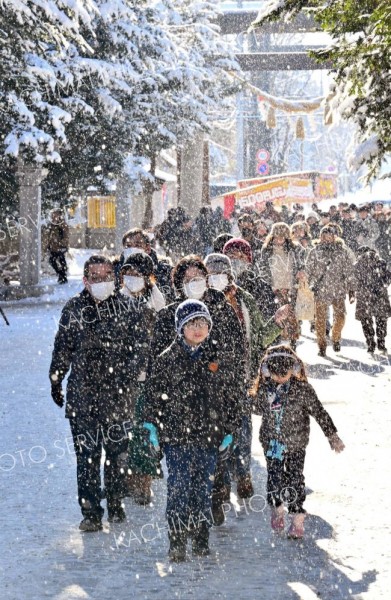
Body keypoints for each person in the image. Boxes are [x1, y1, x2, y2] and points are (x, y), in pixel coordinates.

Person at [49, 255, 148, 531]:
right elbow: (62, 348)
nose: (101, 281)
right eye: (95, 276)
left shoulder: (127, 308)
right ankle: (91, 511)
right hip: (83, 397)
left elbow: (140, 348)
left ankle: (116, 502)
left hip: (119, 396)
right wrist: (55, 380)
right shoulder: (74, 309)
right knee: (87, 457)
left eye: (106, 275)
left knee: (118, 455)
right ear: (85, 279)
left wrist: (130, 376)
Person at [142, 300, 242, 561]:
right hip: (176, 438)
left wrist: (229, 430)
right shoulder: (166, 360)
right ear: (180, 327)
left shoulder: (217, 359)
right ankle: (176, 541)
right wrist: (152, 427)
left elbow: (232, 398)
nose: (198, 329)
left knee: (202, 491)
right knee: (178, 489)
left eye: (203, 323)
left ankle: (200, 537)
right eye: (191, 324)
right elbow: (152, 399)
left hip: (209, 438)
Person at [205, 253, 292, 502]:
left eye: (220, 273)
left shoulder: (245, 299)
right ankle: (219, 483)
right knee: (216, 432)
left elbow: (260, 338)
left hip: (242, 377)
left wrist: (276, 322)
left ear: (230, 275)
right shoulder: (201, 300)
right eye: (210, 273)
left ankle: (243, 475)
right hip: (211, 380)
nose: (215, 278)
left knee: (243, 430)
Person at [251, 345, 345, 538]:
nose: (280, 378)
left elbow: (319, 412)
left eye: (284, 373)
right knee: (274, 477)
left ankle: (296, 514)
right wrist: (253, 398)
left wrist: (332, 435)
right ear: (266, 370)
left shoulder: (303, 390)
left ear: (294, 369)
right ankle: (277, 507)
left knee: (295, 478)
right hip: (272, 443)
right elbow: (255, 408)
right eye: (275, 374)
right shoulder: (264, 388)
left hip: (296, 443)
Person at [119, 253, 166, 503]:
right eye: (128, 274)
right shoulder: (117, 301)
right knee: (125, 432)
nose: (132, 279)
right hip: (122, 379)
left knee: (146, 432)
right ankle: (127, 479)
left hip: (151, 377)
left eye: (137, 274)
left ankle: (144, 481)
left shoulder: (158, 302)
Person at [306, 225, 356, 356]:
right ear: (320, 237)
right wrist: (308, 287)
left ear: (335, 237)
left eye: (329, 236)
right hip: (320, 291)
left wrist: (351, 290)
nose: (326, 239)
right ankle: (321, 345)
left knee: (340, 317)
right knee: (320, 320)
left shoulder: (342, 251)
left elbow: (349, 271)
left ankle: (335, 337)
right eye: (324, 236)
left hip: (338, 290)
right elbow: (308, 271)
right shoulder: (314, 252)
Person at [258, 222, 305, 348]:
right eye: (277, 237)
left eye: (282, 237)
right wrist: (271, 285)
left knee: (292, 315)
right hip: (274, 287)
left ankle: (293, 342)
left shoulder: (294, 248)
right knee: (278, 315)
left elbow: (302, 263)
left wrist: (301, 271)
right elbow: (262, 268)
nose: (279, 240)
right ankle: (277, 342)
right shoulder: (267, 249)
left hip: (291, 286)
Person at [114, 227, 174, 301]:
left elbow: (168, 298)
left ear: (147, 248)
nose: (132, 249)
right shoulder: (113, 271)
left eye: (137, 245)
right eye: (128, 246)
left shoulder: (164, 271)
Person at [353, 246, 391, 353]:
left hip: (364, 296)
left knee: (366, 320)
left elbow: (354, 282)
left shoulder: (357, 265)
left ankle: (370, 342)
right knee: (381, 320)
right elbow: (388, 279)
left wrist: (361, 289)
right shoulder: (381, 262)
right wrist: (381, 286)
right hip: (380, 296)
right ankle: (381, 342)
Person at [46, 208, 69, 284]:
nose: (53, 216)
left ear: (59, 215)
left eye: (55, 214)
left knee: (62, 261)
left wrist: (62, 245)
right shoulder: (51, 224)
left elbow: (65, 236)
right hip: (53, 247)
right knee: (52, 261)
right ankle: (61, 275)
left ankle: (63, 276)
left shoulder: (62, 224)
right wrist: (48, 245)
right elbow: (49, 236)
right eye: (53, 214)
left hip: (60, 247)